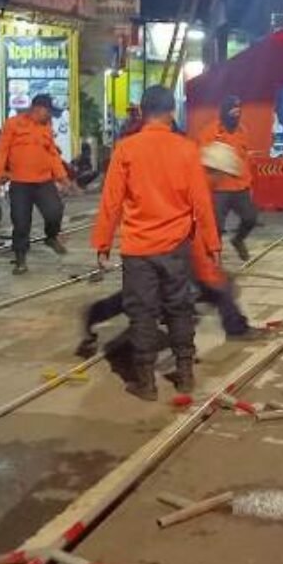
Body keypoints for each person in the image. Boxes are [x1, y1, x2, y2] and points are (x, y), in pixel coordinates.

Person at [92, 85, 221, 401]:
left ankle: (146, 382)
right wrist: (212, 245)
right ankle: (186, 373)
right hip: (176, 247)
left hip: (138, 249)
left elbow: (111, 201)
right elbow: (201, 202)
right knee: (179, 307)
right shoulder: (186, 148)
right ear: (170, 112)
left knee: (142, 313)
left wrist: (103, 242)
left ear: (143, 113)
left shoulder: (126, 148)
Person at [0, 95, 70, 275]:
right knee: (20, 222)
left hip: (44, 181)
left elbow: (52, 155)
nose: (50, 116)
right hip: (20, 183)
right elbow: (2, 150)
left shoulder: (46, 127)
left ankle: (51, 237)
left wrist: (63, 178)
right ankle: (20, 259)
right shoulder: (13, 124)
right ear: (37, 109)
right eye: (48, 112)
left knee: (55, 211)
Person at [199, 95, 257, 261]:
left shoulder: (242, 131)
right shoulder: (209, 132)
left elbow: (245, 159)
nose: (236, 114)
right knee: (215, 227)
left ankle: (238, 240)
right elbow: (202, 158)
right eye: (233, 110)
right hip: (219, 189)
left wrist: (249, 183)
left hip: (240, 187)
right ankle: (213, 260)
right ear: (224, 111)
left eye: (239, 111)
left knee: (250, 218)